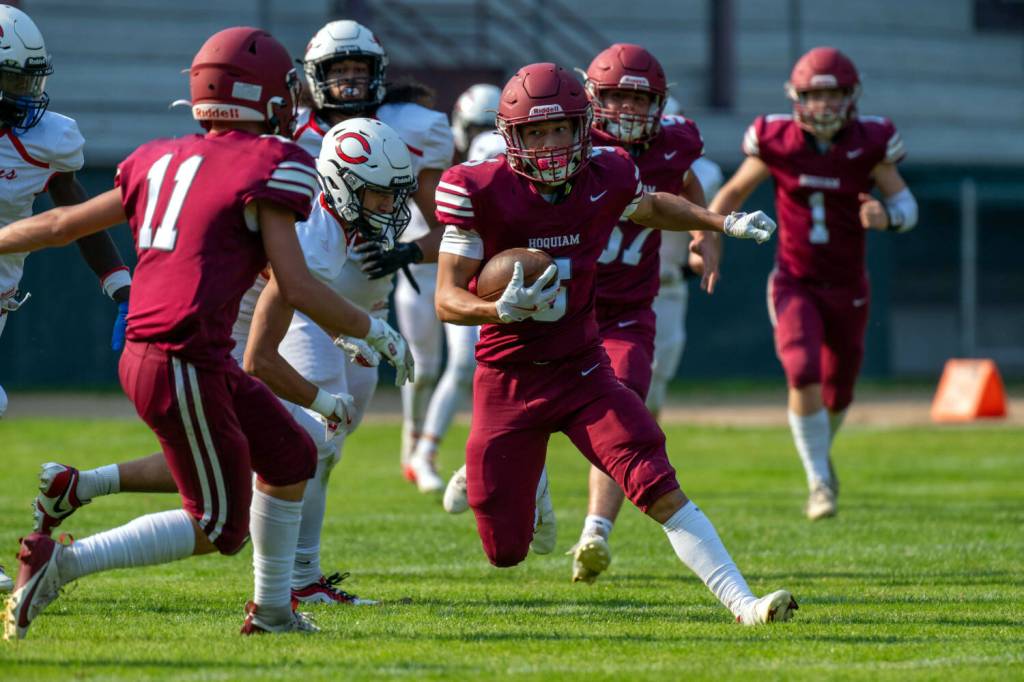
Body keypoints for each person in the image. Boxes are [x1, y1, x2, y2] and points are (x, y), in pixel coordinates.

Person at [1, 27, 410, 639]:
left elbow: (61, 223)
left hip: (187, 353)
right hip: (179, 354)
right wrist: (370, 328)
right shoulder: (274, 163)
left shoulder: (158, 157)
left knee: (290, 455)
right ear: (271, 97)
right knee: (221, 524)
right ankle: (61, 562)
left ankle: (273, 611)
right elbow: (293, 283)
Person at [434, 62, 796, 624]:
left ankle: (744, 604)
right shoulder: (477, 188)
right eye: (536, 132)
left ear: (584, 128)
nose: (550, 145)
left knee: (655, 479)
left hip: (581, 369)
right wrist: (494, 309)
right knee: (505, 551)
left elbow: (650, 204)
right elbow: (446, 298)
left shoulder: (608, 172)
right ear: (512, 138)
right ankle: (535, 488)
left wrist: (716, 223)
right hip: (506, 378)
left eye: (560, 130)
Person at [709, 47, 915, 520]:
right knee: (802, 370)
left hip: (848, 284)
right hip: (795, 280)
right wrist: (710, 233)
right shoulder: (777, 139)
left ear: (851, 96)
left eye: (833, 95)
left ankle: (821, 458)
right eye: (814, 96)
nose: (823, 106)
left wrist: (888, 216)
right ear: (797, 98)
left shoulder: (870, 141)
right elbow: (734, 191)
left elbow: (908, 204)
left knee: (839, 391)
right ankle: (819, 482)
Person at [0, 5, 133, 593]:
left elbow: (71, 209)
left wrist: (119, 284)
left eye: (31, 78)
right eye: (12, 80)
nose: (27, 93)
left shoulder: (45, 141)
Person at [295, 20, 456, 490]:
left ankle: (297, 554)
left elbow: (450, 231)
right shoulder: (288, 131)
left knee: (333, 442)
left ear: (378, 74)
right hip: (304, 303)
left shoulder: (412, 128)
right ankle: (287, 557)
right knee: (316, 432)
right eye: (337, 69)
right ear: (315, 76)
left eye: (357, 69)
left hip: (369, 308)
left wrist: (404, 251)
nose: (348, 81)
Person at [406, 83, 504, 497]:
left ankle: (424, 454)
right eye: (477, 125)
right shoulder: (438, 157)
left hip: (469, 273)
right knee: (424, 368)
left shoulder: (499, 159)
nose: (482, 133)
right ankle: (412, 447)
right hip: (424, 271)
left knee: (464, 363)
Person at [647, 95, 724, 418]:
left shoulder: (703, 173)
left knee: (652, 390)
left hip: (667, 284)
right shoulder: (613, 163)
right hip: (611, 284)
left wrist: (704, 252)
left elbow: (708, 226)